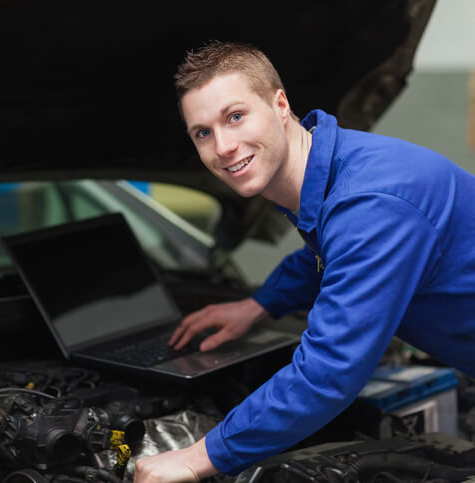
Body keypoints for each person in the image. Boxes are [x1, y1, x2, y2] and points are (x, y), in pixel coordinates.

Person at [133, 41, 475, 482]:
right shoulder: (331, 167)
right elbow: (325, 255)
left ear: (280, 104)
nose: (224, 146)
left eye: (235, 117)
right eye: (203, 132)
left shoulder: (371, 205)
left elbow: (328, 373)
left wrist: (198, 457)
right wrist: (256, 306)